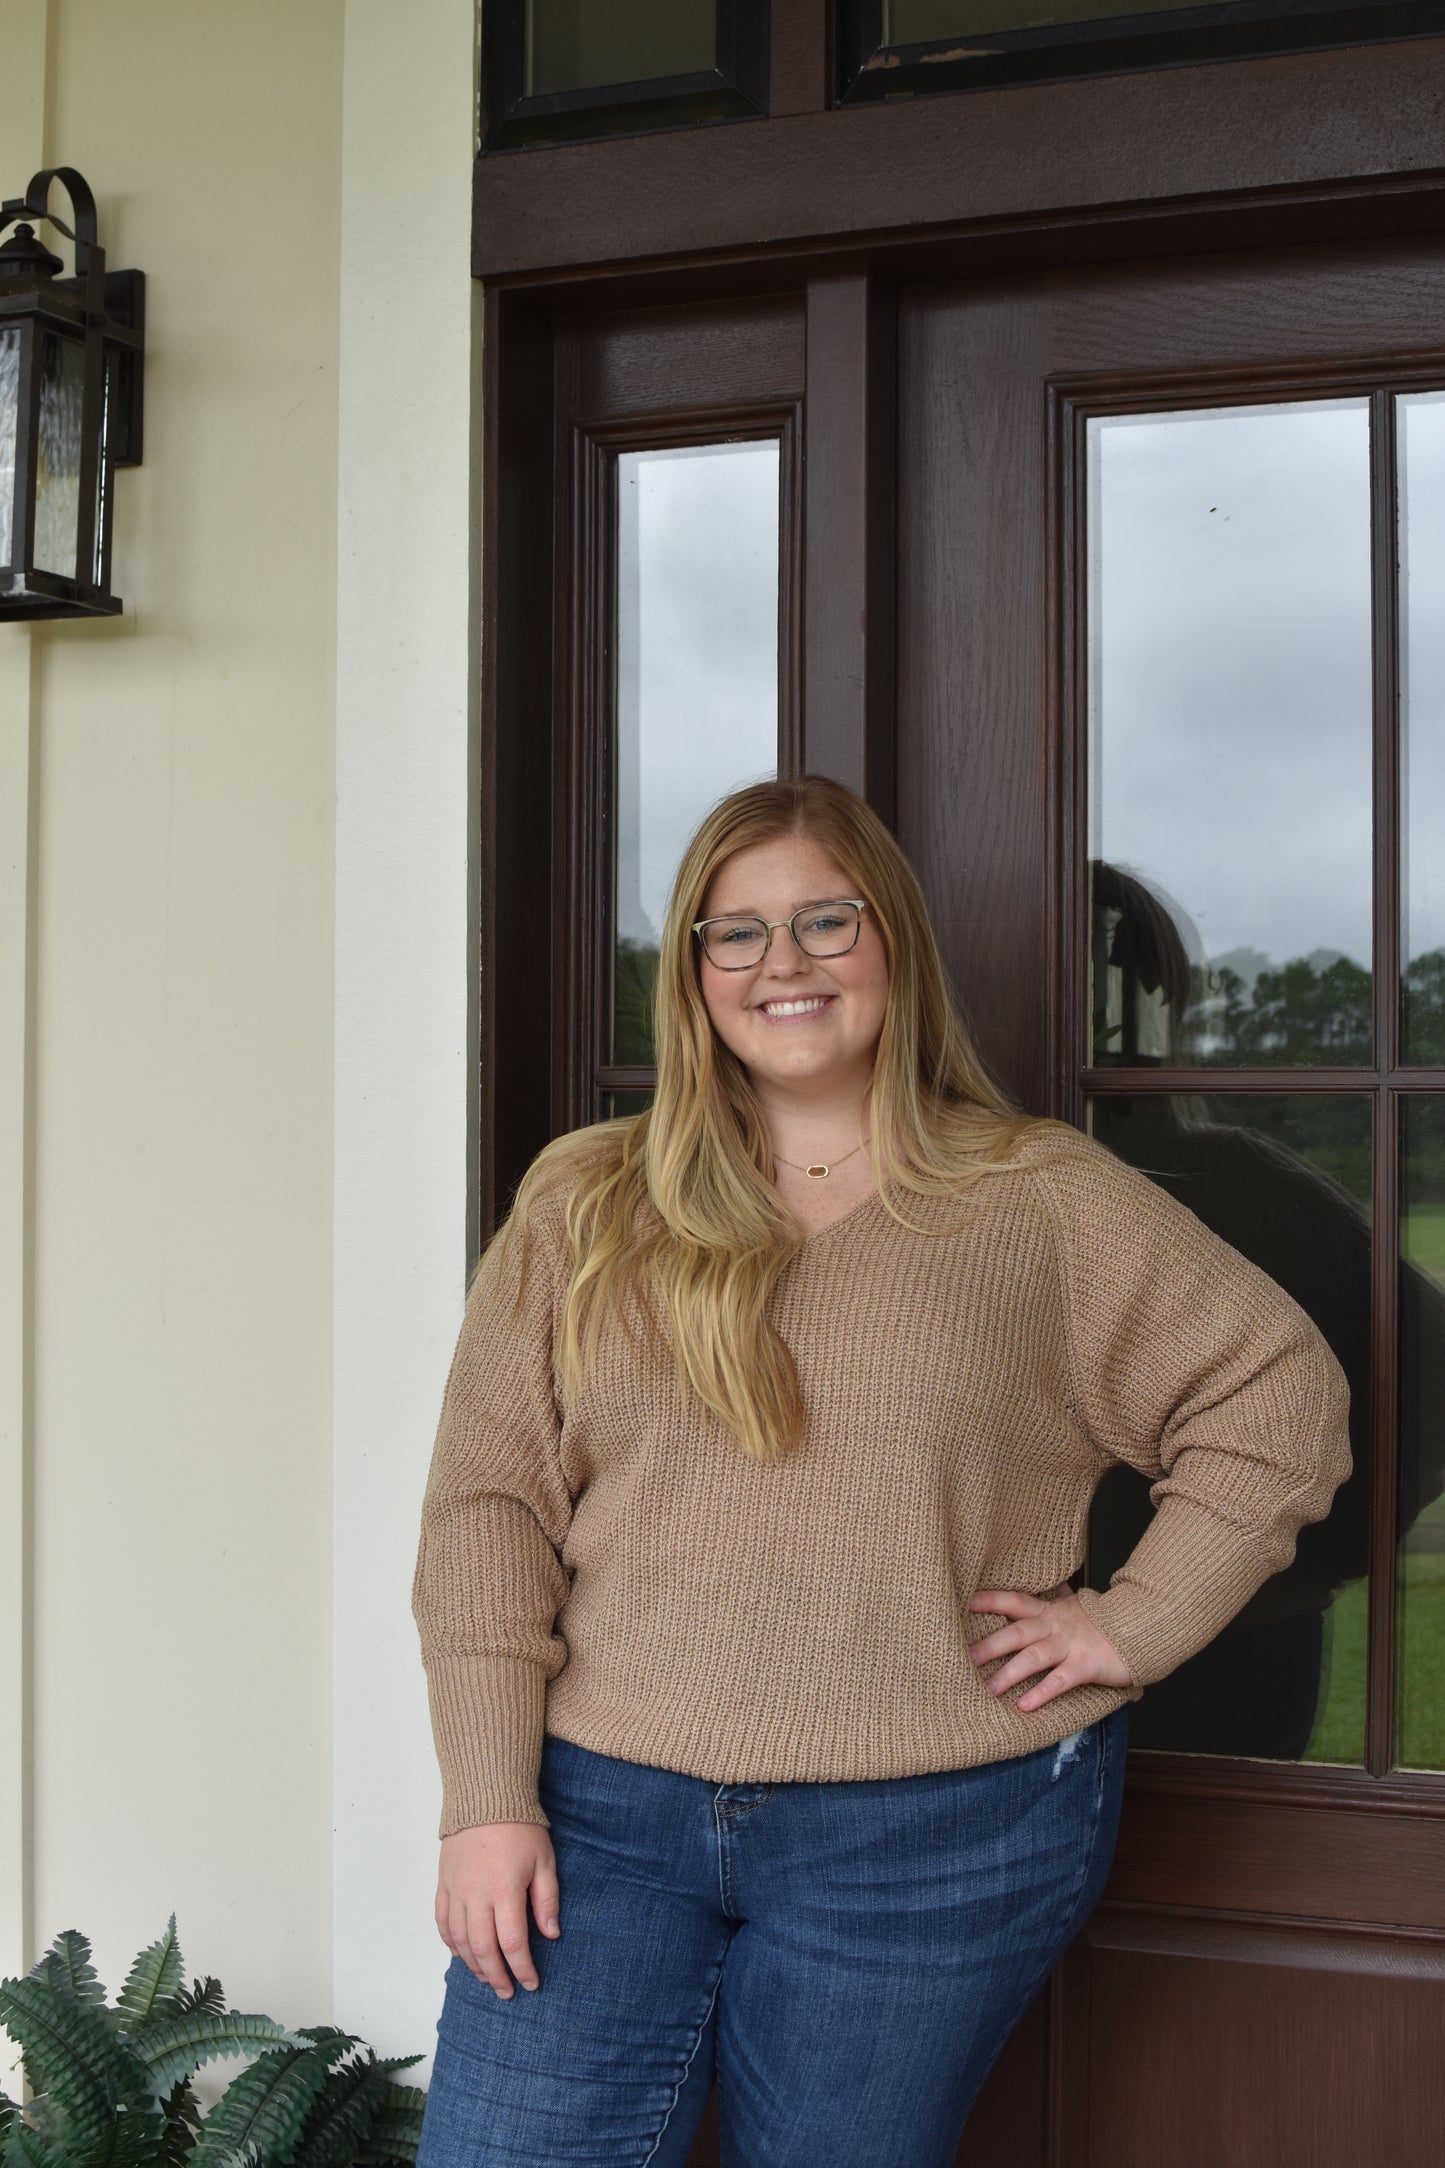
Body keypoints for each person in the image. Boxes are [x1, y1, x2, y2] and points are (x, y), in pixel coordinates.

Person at [410, 774, 1351, 2168]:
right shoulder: (586, 1201)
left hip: (935, 1830)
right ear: (692, 971)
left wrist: (1131, 1622)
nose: (779, 965)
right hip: (595, 1815)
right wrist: (486, 1800)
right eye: (734, 933)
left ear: (893, 946)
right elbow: (488, 1511)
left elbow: (1278, 1399)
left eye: (823, 923)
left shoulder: (1036, 1202)